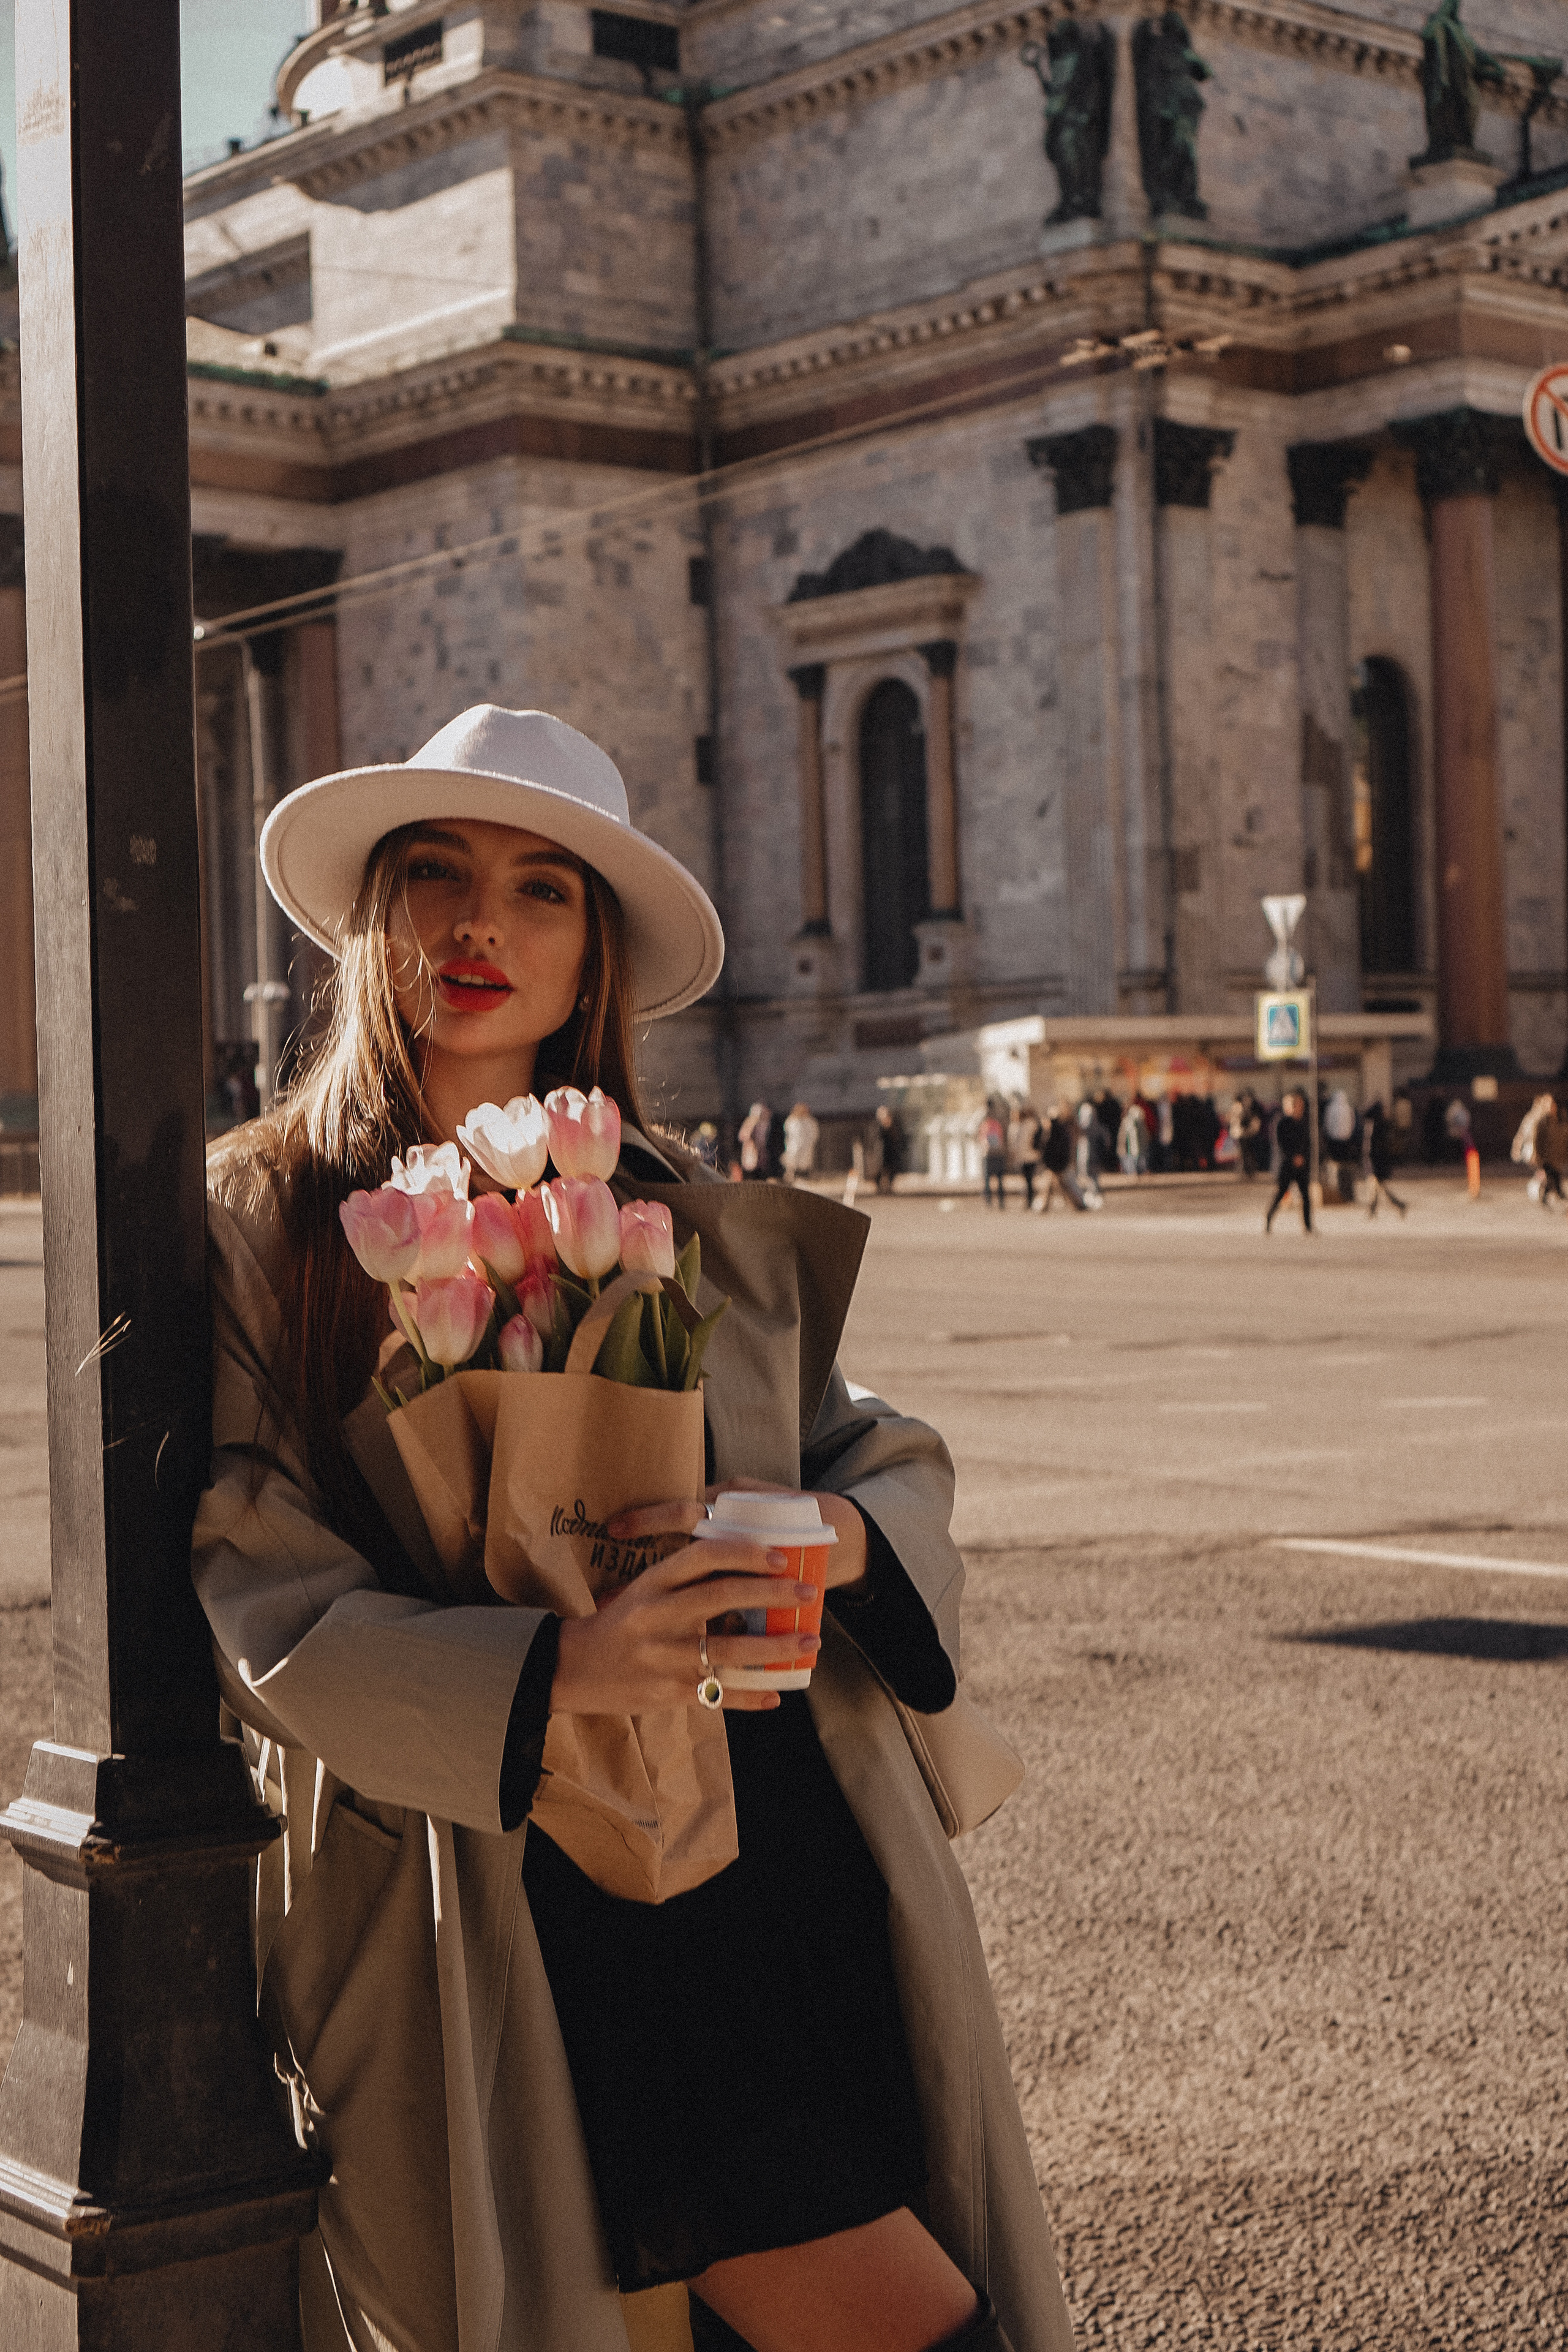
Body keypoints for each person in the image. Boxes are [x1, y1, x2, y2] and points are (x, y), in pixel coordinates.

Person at [190, 707, 1071, 2352]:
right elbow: (257, 1580)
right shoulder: (272, 1216)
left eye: (543, 890)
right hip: (509, 1880)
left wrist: (829, 1534)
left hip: (778, 1852)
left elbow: (881, 1450)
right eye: (436, 872)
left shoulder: (666, 1198)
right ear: (374, 911)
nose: (480, 927)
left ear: (592, 947)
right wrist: (557, 1665)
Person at [1264, 1089, 1313, 1234]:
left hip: (1302, 1166)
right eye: (1297, 1104)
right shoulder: (1283, 1122)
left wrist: (1303, 1157)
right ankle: (1269, 1218)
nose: (1300, 1107)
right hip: (1287, 1165)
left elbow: (1308, 1144)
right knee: (1281, 1193)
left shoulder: (1304, 1122)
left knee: (1306, 1196)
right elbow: (1281, 1144)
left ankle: (1308, 1226)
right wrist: (1293, 1157)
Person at [1362, 1098, 1408, 1220]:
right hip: (1381, 1161)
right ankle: (1374, 1210)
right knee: (1378, 1187)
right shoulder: (1383, 1124)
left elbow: (1375, 1148)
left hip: (1379, 1162)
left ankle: (1399, 1205)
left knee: (1380, 1186)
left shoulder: (1377, 1127)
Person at [1009, 1102, 1045, 1210]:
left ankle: (1030, 1200)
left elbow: (1021, 1143)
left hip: (1029, 1156)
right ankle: (1030, 1199)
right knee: (1029, 1180)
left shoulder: (1026, 1125)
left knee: (1029, 1180)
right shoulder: (1027, 1125)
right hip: (1030, 1156)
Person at [782, 1099, 820, 1186]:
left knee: (805, 1162)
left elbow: (814, 1134)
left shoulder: (810, 1121)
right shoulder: (792, 1121)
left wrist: (810, 1143)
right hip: (794, 1145)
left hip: (806, 1145)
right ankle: (791, 1177)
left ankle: (804, 1176)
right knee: (792, 1162)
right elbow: (789, 1133)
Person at [873, 1100, 908, 1194]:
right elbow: (879, 1141)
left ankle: (888, 1186)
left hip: (892, 1153)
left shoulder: (894, 1126)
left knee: (892, 1170)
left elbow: (898, 1139)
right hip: (884, 1153)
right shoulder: (880, 1128)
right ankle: (880, 1187)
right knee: (882, 1171)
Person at [979, 1101, 1008, 1208]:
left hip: (989, 1154)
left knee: (988, 1180)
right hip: (998, 1153)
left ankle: (989, 1202)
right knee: (999, 1180)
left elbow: (982, 1137)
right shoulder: (998, 1121)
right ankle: (1000, 1202)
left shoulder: (985, 1122)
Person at [737, 1100, 774, 1180]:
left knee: (761, 1174)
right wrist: (754, 1145)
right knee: (751, 1174)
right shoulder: (751, 1122)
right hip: (752, 1153)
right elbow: (743, 1137)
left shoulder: (765, 1124)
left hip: (761, 1153)